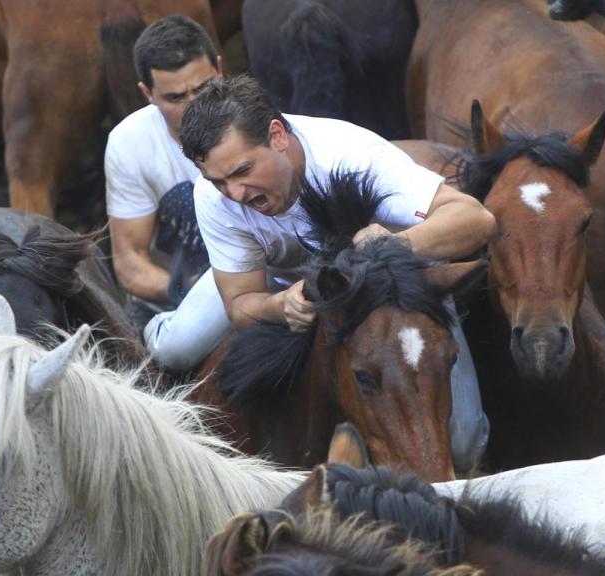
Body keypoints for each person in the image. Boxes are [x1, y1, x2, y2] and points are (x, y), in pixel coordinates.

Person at [146, 75, 497, 469]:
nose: (236, 194)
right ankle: (152, 321)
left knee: (465, 443)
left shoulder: (349, 157)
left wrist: (396, 246)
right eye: (219, 181)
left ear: (277, 135)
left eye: (243, 170)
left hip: (397, 285)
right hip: (285, 279)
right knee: (173, 348)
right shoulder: (214, 196)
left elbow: (476, 219)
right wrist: (281, 305)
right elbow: (240, 301)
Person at [105, 14, 224, 340]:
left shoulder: (258, 124)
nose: (194, 105)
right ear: (147, 93)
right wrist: (192, 291)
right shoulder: (129, 143)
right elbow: (130, 262)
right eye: (175, 97)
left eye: (203, 88)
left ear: (220, 69)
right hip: (173, 302)